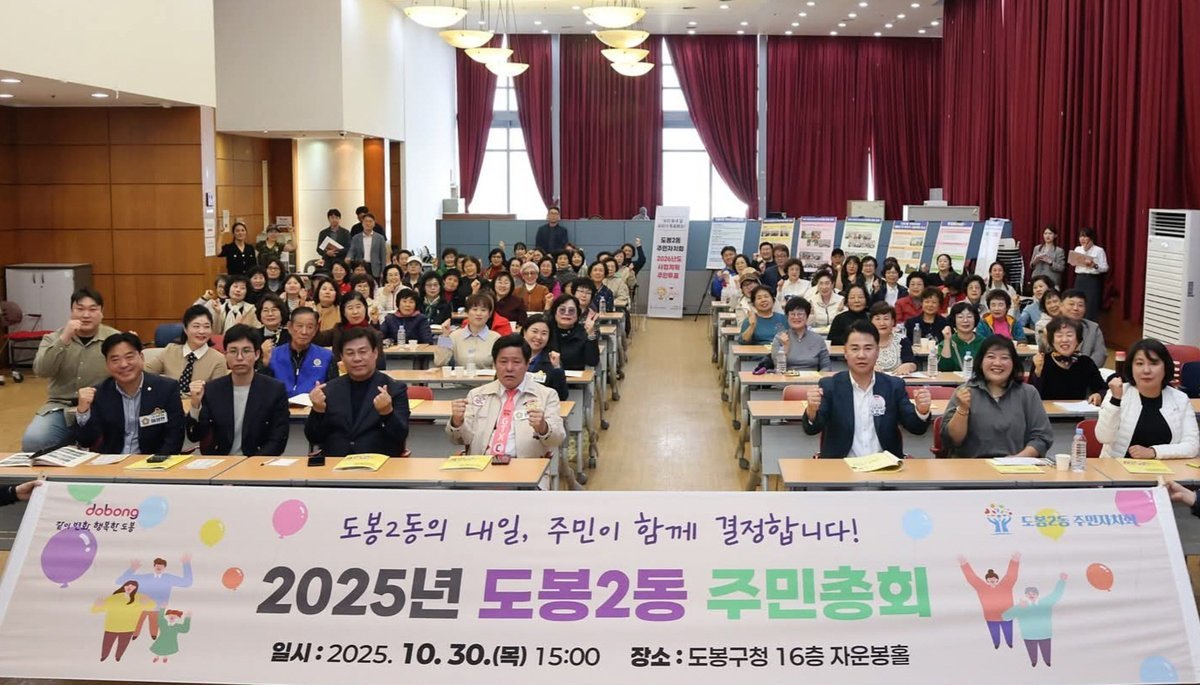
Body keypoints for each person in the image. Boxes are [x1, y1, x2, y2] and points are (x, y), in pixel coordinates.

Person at [801, 320, 931, 457]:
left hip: (885, 465)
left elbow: (916, 428)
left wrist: (922, 411)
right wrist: (811, 411)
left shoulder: (893, 386)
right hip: (842, 465)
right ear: (845, 352)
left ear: (877, 352)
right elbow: (812, 429)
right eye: (855, 349)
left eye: (868, 348)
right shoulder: (830, 386)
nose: (861, 355)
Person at [23, 288, 119, 451]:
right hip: (61, 406)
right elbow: (41, 371)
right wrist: (65, 338)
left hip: (100, 406)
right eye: (80, 309)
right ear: (71, 311)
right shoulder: (53, 338)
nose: (86, 315)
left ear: (102, 312)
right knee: (33, 441)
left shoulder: (114, 339)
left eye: (92, 309)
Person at [447, 334, 566, 462]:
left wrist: (543, 428)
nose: (509, 368)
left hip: (526, 468)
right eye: (503, 362)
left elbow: (557, 439)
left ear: (527, 364)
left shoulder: (546, 395)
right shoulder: (477, 395)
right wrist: (457, 422)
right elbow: (459, 440)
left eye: (516, 362)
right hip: (481, 466)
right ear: (494, 364)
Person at [942, 335, 1054, 458]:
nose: (997, 363)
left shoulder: (1028, 393)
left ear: (1013, 363)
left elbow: (1041, 437)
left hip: (1017, 465)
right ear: (980, 362)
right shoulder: (964, 392)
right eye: (991, 357)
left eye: (1004, 358)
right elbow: (952, 441)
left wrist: (1016, 460)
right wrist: (962, 409)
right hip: (972, 466)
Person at [304, 328, 410, 457]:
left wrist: (387, 413)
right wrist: (317, 410)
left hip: (378, 463)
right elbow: (314, 437)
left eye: (362, 352)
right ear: (342, 357)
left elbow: (400, 437)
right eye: (350, 353)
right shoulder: (329, 389)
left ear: (375, 353)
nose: (357, 358)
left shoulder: (395, 389)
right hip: (335, 463)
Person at [186, 325, 289, 456]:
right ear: (225, 355)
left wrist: (251, 463)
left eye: (246, 351)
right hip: (220, 461)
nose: (239, 357)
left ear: (257, 354)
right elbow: (195, 436)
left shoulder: (274, 390)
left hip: (257, 461)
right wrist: (195, 406)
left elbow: (278, 441)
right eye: (233, 351)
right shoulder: (212, 390)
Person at [76, 332, 185, 455]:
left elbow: (174, 437)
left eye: (129, 357)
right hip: (112, 462)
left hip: (152, 461)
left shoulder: (166, 388)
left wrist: (158, 462)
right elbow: (86, 441)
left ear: (141, 357)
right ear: (107, 364)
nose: (123, 364)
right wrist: (83, 412)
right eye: (115, 360)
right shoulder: (100, 393)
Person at [1095, 339, 1199, 458]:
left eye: (1154, 364)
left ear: (1165, 367)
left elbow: (1192, 446)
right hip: (1118, 467)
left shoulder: (1180, 399)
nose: (1146, 370)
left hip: (1165, 468)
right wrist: (1115, 401)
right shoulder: (1118, 393)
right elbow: (1103, 437)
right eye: (1139, 364)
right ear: (1131, 367)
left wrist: (1154, 452)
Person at [145, 306, 228, 391]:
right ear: (185, 329)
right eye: (196, 326)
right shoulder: (170, 350)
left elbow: (218, 393)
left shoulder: (218, 359)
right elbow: (144, 372)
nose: (202, 331)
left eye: (206, 326)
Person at [1028, 317, 1105, 404]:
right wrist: (1037, 372)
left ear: (1078, 340)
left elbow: (1103, 389)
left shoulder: (1085, 362)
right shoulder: (1042, 360)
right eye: (1059, 335)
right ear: (1052, 341)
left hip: (1077, 411)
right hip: (1047, 412)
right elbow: (1031, 396)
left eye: (1069, 335)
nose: (1064, 340)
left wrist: (1098, 395)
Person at [114, 554, 192, 641]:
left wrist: (186, 564)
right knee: (137, 623)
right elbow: (120, 581)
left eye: (161, 566)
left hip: (157, 607)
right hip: (141, 607)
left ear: (164, 568)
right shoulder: (144, 577)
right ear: (154, 566)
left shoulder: (168, 578)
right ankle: (135, 635)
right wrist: (132, 569)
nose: (159, 567)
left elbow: (187, 582)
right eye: (157, 565)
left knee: (154, 627)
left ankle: (153, 636)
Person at [265, 307, 334, 396]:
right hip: (280, 403)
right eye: (299, 326)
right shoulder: (273, 354)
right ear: (290, 327)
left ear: (316, 329)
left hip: (313, 404)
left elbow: (333, 391)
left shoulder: (327, 356)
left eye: (310, 327)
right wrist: (265, 364)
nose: (304, 332)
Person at [1002, 575, 1068, 668]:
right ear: (1025, 595)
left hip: (1045, 634)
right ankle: (1034, 662)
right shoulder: (1021, 606)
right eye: (1028, 593)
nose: (1031, 595)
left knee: (1046, 652)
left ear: (1037, 594)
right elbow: (1005, 617)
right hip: (1028, 635)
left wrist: (1062, 581)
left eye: (1033, 593)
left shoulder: (1045, 603)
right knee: (1032, 653)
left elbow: (1056, 594)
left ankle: (1047, 662)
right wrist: (1018, 608)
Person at [959, 553, 1021, 650]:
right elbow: (973, 579)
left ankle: (1009, 643)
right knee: (995, 634)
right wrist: (964, 564)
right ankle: (996, 644)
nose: (992, 580)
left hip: (1007, 616)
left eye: (994, 579)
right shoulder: (982, 588)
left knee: (1008, 633)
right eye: (990, 579)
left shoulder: (1005, 586)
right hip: (991, 617)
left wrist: (1014, 561)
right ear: (987, 580)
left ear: (997, 579)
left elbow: (1011, 576)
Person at [92, 581, 156, 662]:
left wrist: (147, 602)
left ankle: (118, 656)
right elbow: (96, 610)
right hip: (111, 627)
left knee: (123, 644)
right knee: (107, 644)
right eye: (127, 585)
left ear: (136, 588)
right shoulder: (114, 597)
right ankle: (104, 656)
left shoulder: (140, 597)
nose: (129, 587)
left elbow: (151, 606)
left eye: (132, 586)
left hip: (128, 628)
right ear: (124, 586)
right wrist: (98, 605)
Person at [766, 298, 831, 372]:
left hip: (813, 378)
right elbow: (777, 368)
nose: (796, 317)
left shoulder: (818, 339)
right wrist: (785, 348)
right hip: (786, 377)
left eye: (800, 314)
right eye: (792, 314)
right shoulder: (779, 338)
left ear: (807, 316)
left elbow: (826, 367)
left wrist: (818, 377)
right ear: (787, 317)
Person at [440, 293, 502, 369]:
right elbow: (440, 362)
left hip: (487, 377)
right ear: (467, 312)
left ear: (489, 314)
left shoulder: (496, 338)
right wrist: (445, 337)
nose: (479, 314)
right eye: (474, 309)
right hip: (461, 376)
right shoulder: (455, 336)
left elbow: (499, 367)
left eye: (483, 310)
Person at [523, 314, 569, 401]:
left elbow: (562, 396)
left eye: (544, 333)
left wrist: (557, 368)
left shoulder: (552, 360)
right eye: (534, 331)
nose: (538, 337)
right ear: (525, 332)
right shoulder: (513, 355)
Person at [548, 294, 600, 370]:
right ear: (554, 312)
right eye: (562, 310)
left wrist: (591, 334)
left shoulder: (583, 333)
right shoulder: (547, 331)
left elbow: (592, 362)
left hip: (574, 376)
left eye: (571, 310)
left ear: (577, 314)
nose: (566, 313)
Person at [1058, 289, 1107, 367]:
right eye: (1071, 304)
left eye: (1080, 305)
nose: (1075, 308)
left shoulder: (1093, 328)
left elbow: (1100, 353)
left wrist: (1085, 369)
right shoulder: (1051, 327)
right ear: (1061, 306)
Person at [1071, 227, 1108, 321]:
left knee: (1090, 306)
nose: (1082, 239)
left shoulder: (1099, 250)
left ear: (1091, 238)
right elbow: (1073, 262)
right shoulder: (1078, 249)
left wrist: (1094, 265)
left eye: (1085, 236)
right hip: (1079, 279)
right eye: (1080, 236)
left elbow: (1105, 268)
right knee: (1077, 303)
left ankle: (1089, 327)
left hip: (1092, 280)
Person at [869, 303, 917, 374]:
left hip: (897, 379)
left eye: (886, 319)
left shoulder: (902, 340)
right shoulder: (864, 341)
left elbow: (912, 363)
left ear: (893, 322)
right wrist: (868, 368)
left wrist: (908, 366)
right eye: (877, 319)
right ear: (871, 322)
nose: (882, 323)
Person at [938, 302, 985, 372]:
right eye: (960, 317)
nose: (965, 320)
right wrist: (947, 341)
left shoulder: (985, 343)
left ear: (975, 319)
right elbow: (944, 369)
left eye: (969, 316)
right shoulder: (945, 343)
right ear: (954, 320)